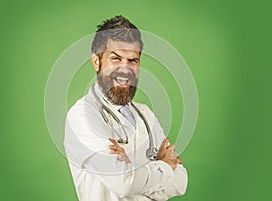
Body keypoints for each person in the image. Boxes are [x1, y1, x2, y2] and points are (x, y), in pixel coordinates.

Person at [64, 15, 188, 201]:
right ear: (96, 62)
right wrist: (163, 165)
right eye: (116, 58)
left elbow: (181, 181)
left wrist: (133, 170)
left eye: (133, 60)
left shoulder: (145, 114)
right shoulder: (82, 116)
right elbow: (124, 183)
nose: (125, 68)